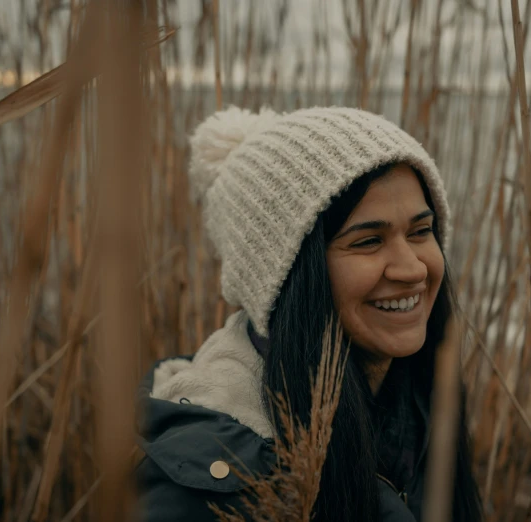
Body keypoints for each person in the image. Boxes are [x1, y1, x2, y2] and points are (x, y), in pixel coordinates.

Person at [135, 105, 483, 522]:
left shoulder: (411, 398)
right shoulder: (214, 478)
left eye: (420, 231)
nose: (412, 269)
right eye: (368, 241)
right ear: (289, 277)